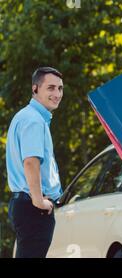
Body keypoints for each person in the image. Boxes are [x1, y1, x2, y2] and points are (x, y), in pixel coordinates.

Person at [6, 67, 64, 258]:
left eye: (60, 89)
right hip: (34, 209)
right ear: (35, 89)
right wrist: (39, 201)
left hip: (25, 206)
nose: (57, 94)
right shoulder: (34, 121)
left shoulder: (26, 116)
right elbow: (31, 162)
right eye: (51, 88)